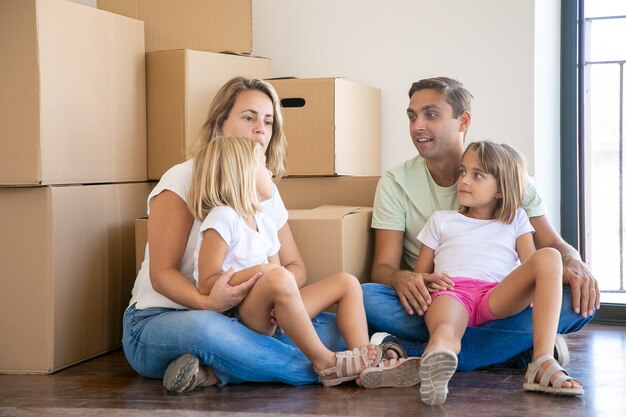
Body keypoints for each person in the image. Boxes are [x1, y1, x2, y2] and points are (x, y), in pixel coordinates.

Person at [122, 77, 345, 393]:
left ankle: (211, 372)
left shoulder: (265, 189)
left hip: (243, 319)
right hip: (163, 320)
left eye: (268, 122)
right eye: (249, 117)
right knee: (210, 331)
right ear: (219, 124)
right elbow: (162, 275)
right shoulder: (181, 179)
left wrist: (274, 297)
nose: (261, 130)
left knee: (334, 326)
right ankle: (335, 366)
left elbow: (294, 268)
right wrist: (207, 302)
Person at [363, 77, 600, 372]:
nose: (417, 126)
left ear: (463, 121)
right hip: (433, 301)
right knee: (366, 297)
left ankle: (413, 352)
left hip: (498, 300)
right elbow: (382, 268)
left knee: (578, 302)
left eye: (430, 114)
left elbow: (550, 245)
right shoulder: (396, 182)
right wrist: (404, 279)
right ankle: (515, 347)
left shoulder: (505, 173)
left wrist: (575, 262)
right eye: (412, 116)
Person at [188, 135, 420, 388]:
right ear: (242, 174)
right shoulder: (222, 218)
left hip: (273, 312)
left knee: (347, 282)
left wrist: (278, 287)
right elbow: (207, 283)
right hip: (240, 314)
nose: (270, 171)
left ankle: (363, 360)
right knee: (277, 276)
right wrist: (265, 274)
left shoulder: (263, 221)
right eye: (263, 165)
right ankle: (325, 362)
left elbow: (277, 275)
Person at [414, 141, 584, 405]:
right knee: (445, 329)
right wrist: (423, 281)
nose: (464, 180)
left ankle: (541, 360)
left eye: (477, 175)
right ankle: (436, 365)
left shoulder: (516, 219)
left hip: (495, 295)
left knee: (549, 256)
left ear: (501, 190)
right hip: (452, 292)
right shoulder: (441, 220)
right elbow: (418, 278)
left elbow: (534, 267)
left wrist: (553, 286)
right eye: (462, 172)